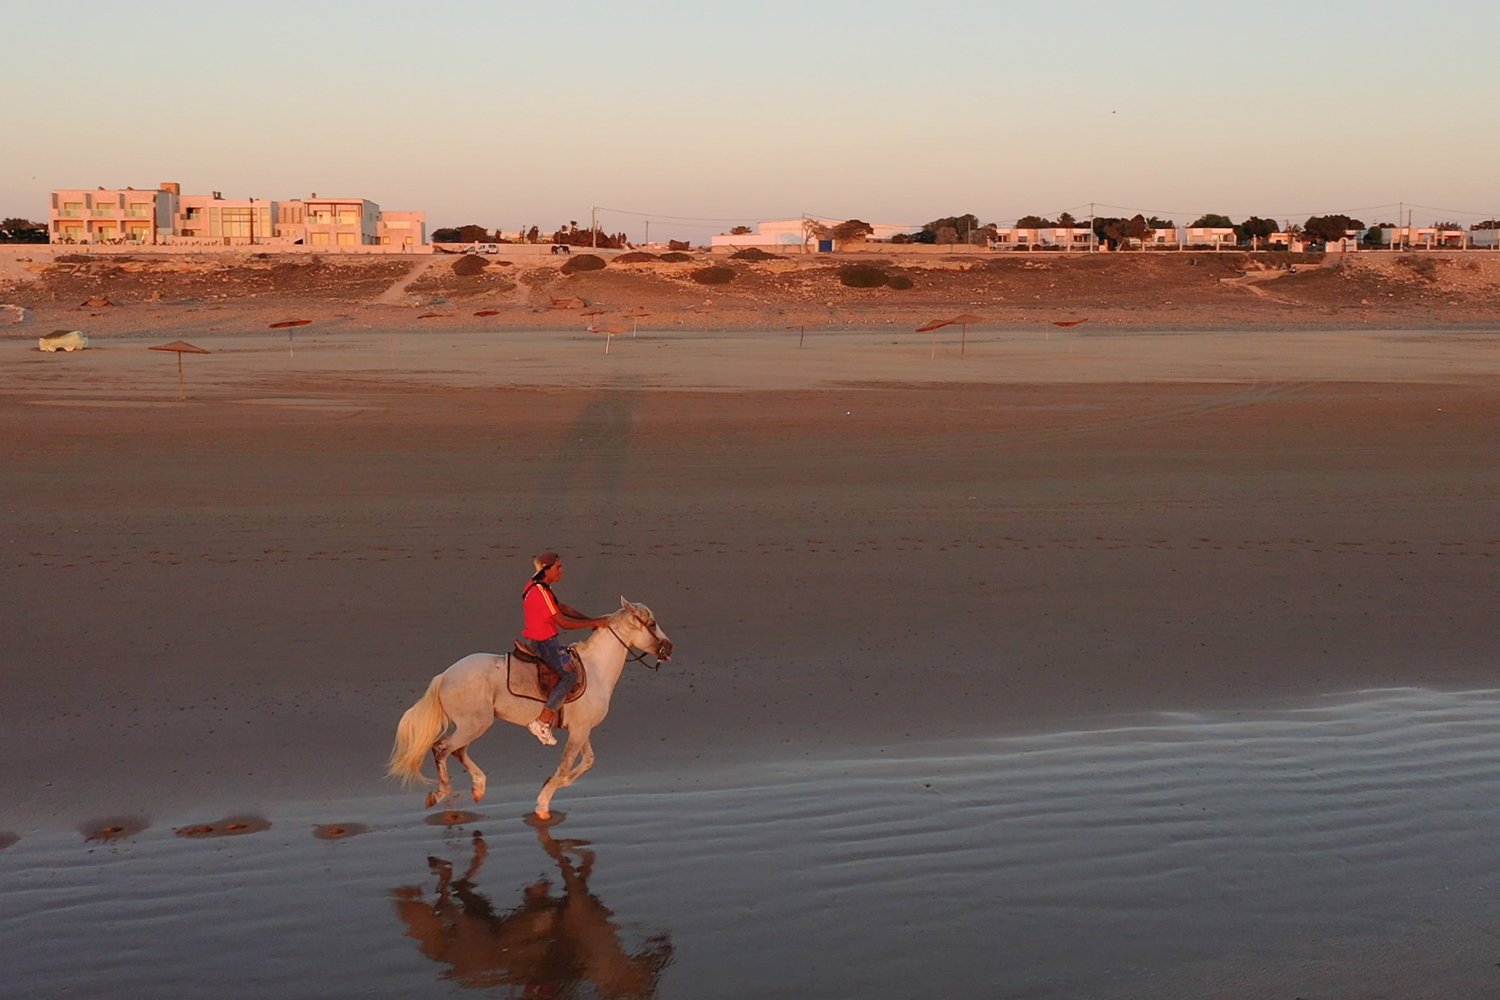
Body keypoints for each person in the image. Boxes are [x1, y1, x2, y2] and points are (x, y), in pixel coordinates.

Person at [522, 551, 607, 745]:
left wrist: (590, 619)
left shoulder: (537, 586)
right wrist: (593, 623)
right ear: (546, 569)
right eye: (558, 567)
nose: (561, 570)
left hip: (544, 640)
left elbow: (562, 608)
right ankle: (543, 720)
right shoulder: (541, 592)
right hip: (544, 643)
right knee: (570, 675)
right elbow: (563, 622)